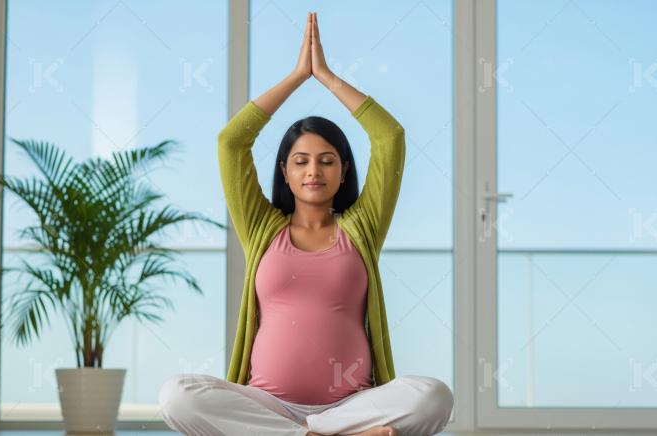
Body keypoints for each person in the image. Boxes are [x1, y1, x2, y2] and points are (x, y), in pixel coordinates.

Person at [158, 11, 453, 436]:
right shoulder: (262, 228)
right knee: (177, 395)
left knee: (433, 395)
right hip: (268, 406)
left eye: (326, 160)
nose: (313, 170)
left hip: (353, 405)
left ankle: (318, 433)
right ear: (285, 172)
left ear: (344, 171)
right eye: (301, 161)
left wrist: (327, 78)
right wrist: (298, 76)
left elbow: (390, 138)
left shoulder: (362, 227)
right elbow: (231, 143)